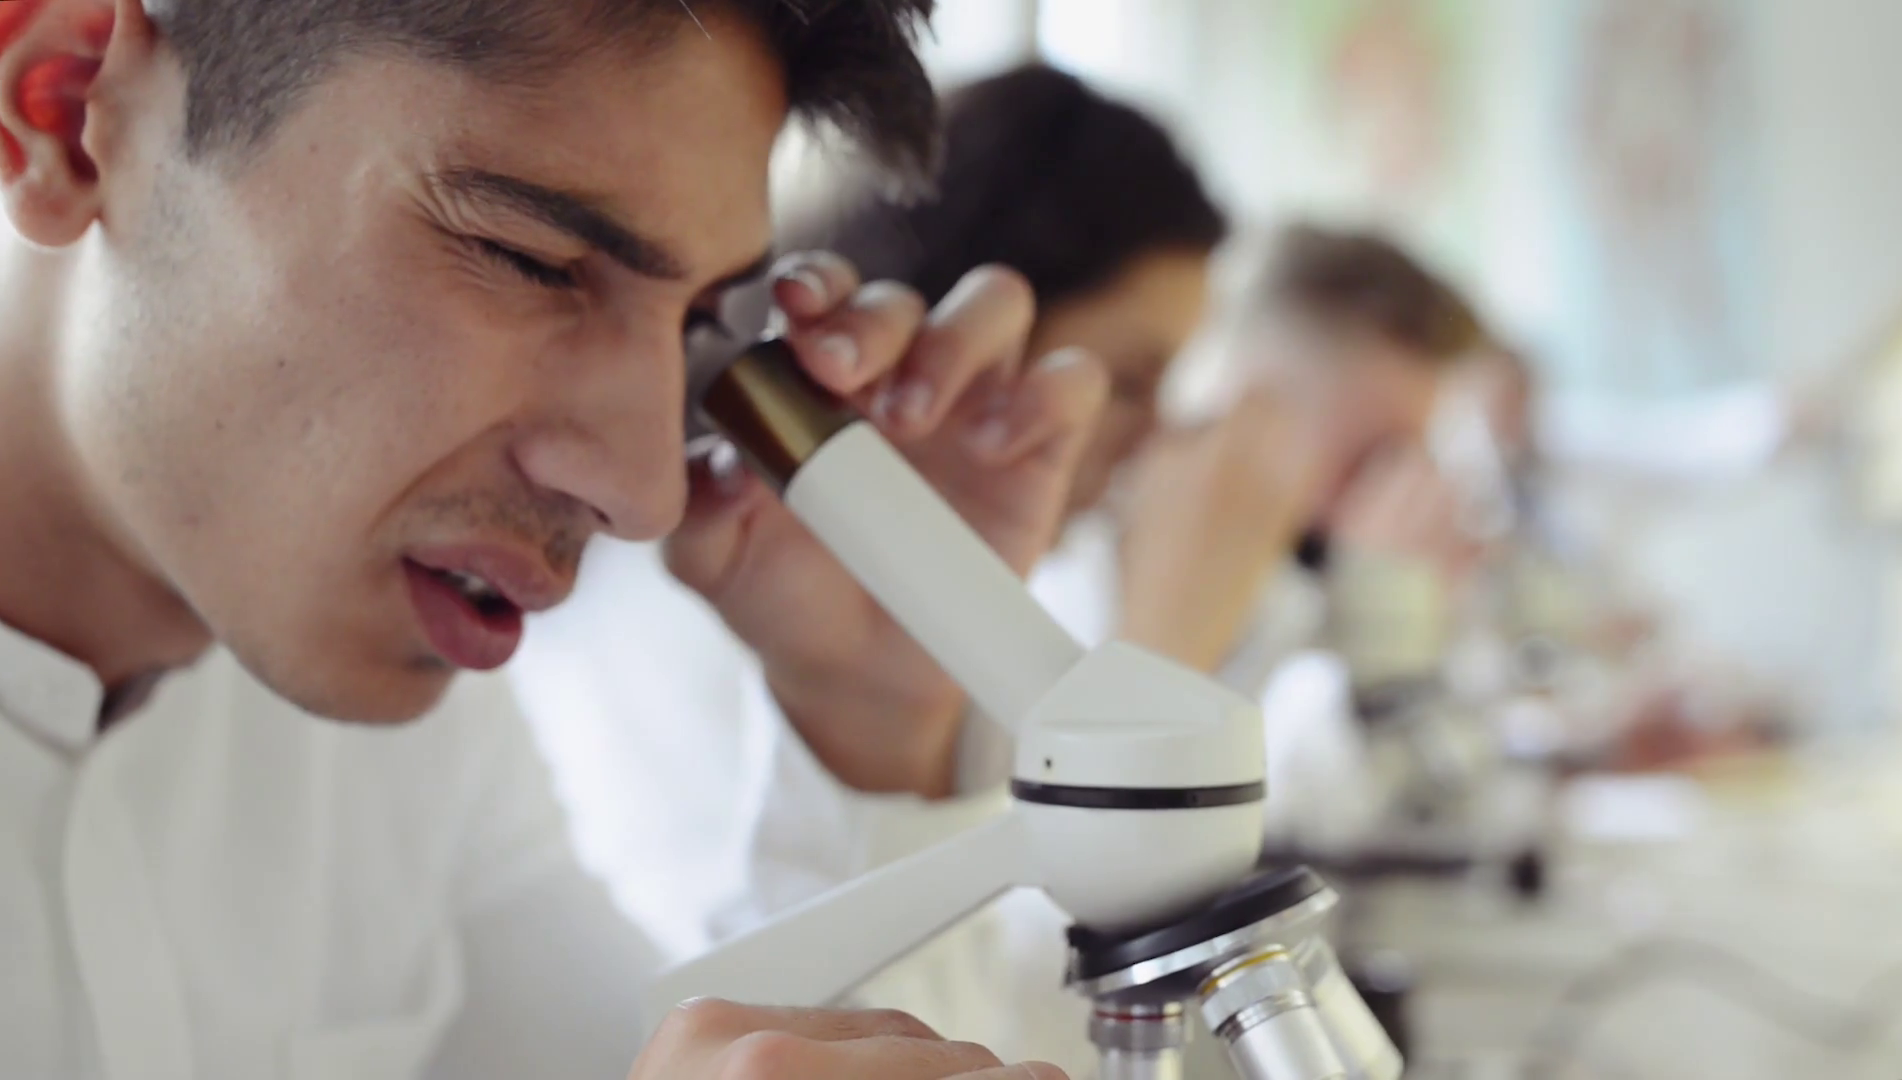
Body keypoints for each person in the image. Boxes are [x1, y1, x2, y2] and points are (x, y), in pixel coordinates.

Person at [0, 1, 1101, 1078]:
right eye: (528, 259)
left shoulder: (408, 743)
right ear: (65, 112)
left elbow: (673, 1054)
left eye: (696, 327)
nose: (645, 492)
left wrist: (868, 712)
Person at [508, 62, 1229, 1072]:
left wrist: (886, 715)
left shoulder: (987, 611)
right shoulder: (660, 617)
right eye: (1133, 380)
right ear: (966, 353)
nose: (1160, 442)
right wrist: (1167, 674)